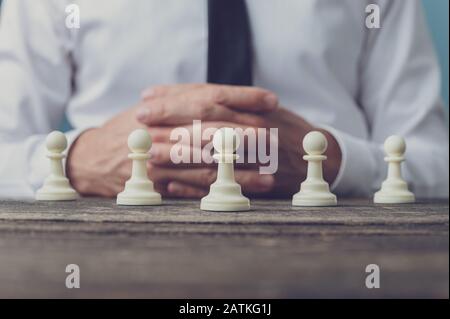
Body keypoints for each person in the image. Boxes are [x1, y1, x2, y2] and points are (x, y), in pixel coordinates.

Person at [0, 0, 448, 199]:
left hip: (339, 265)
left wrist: (333, 163)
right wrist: (77, 162)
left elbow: (437, 166)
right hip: (104, 266)